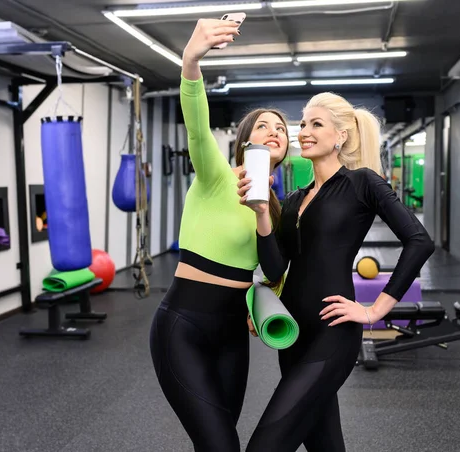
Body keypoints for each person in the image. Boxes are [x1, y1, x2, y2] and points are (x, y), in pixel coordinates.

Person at [238, 91, 435, 451]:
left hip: (333, 334)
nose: (304, 131)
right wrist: (263, 213)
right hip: (293, 336)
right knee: (324, 441)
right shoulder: (295, 198)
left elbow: (419, 241)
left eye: (316, 124)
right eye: (302, 124)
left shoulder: (362, 183)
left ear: (340, 136)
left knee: (266, 443)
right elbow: (275, 267)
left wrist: (374, 311)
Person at [149, 18, 290, 452]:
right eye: (264, 126)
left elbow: (273, 270)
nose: (274, 132)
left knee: (222, 439)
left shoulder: (275, 207)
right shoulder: (215, 176)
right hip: (182, 327)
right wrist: (190, 61)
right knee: (220, 446)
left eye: (282, 130)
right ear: (244, 141)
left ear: (285, 149)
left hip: (232, 335)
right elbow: (196, 124)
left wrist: (264, 212)